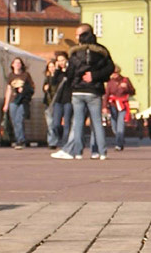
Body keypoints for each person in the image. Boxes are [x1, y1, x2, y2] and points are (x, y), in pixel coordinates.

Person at [51, 23, 114, 160]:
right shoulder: (102, 51)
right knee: (97, 122)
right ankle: (102, 152)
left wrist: (75, 78)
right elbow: (110, 68)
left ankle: (78, 152)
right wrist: (95, 76)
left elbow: (70, 72)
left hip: (78, 91)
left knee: (78, 122)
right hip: (94, 90)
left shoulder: (75, 52)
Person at [2, 57, 34, 150]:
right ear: (12, 65)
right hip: (13, 100)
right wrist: (6, 104)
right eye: (15, 63)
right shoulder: (10, 76)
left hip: (22, 101)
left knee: (19, 120)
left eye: (19, 63)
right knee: (14, 121)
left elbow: (32, 87)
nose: (17, 64)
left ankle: (20, 140)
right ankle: (18, 138)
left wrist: (24, 90)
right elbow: (8, 90)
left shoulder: (26, 75)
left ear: (21, 65)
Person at [105, 66, 135, 151]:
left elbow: (133, 91)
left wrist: (127, 88)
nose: (114, 75)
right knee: (114, 127)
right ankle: (120, 139)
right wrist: (104, 106)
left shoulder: (125, 80)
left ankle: (118, 144)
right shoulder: (110, 82)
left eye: (115, 73)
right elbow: (106, 94)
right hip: (113, 105)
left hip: (122, 105)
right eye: (112, 73)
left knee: (120, 125)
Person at [50, 51, 73, 149]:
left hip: (68, 100)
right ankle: (59, 138)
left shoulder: (70, 71)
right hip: (58, 100)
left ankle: (65, 143)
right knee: (55, 124)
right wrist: (56, 70)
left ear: (66, 60)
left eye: (62, 60)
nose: (61, 62)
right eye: (59, 61)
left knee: (67, 122)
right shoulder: (58, 72)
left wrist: (66, 70)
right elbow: (53, 82)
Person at [42, 59, 57, 147]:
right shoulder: (47, 78)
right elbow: (44, 90)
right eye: (50, 67)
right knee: (50, 123)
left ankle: (55, 139)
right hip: (48, 102)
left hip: (56, 102)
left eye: (53, 66)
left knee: (55, 123)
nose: (51, 68)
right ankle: (51, 142)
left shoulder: (59, 78)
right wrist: (45, 88)